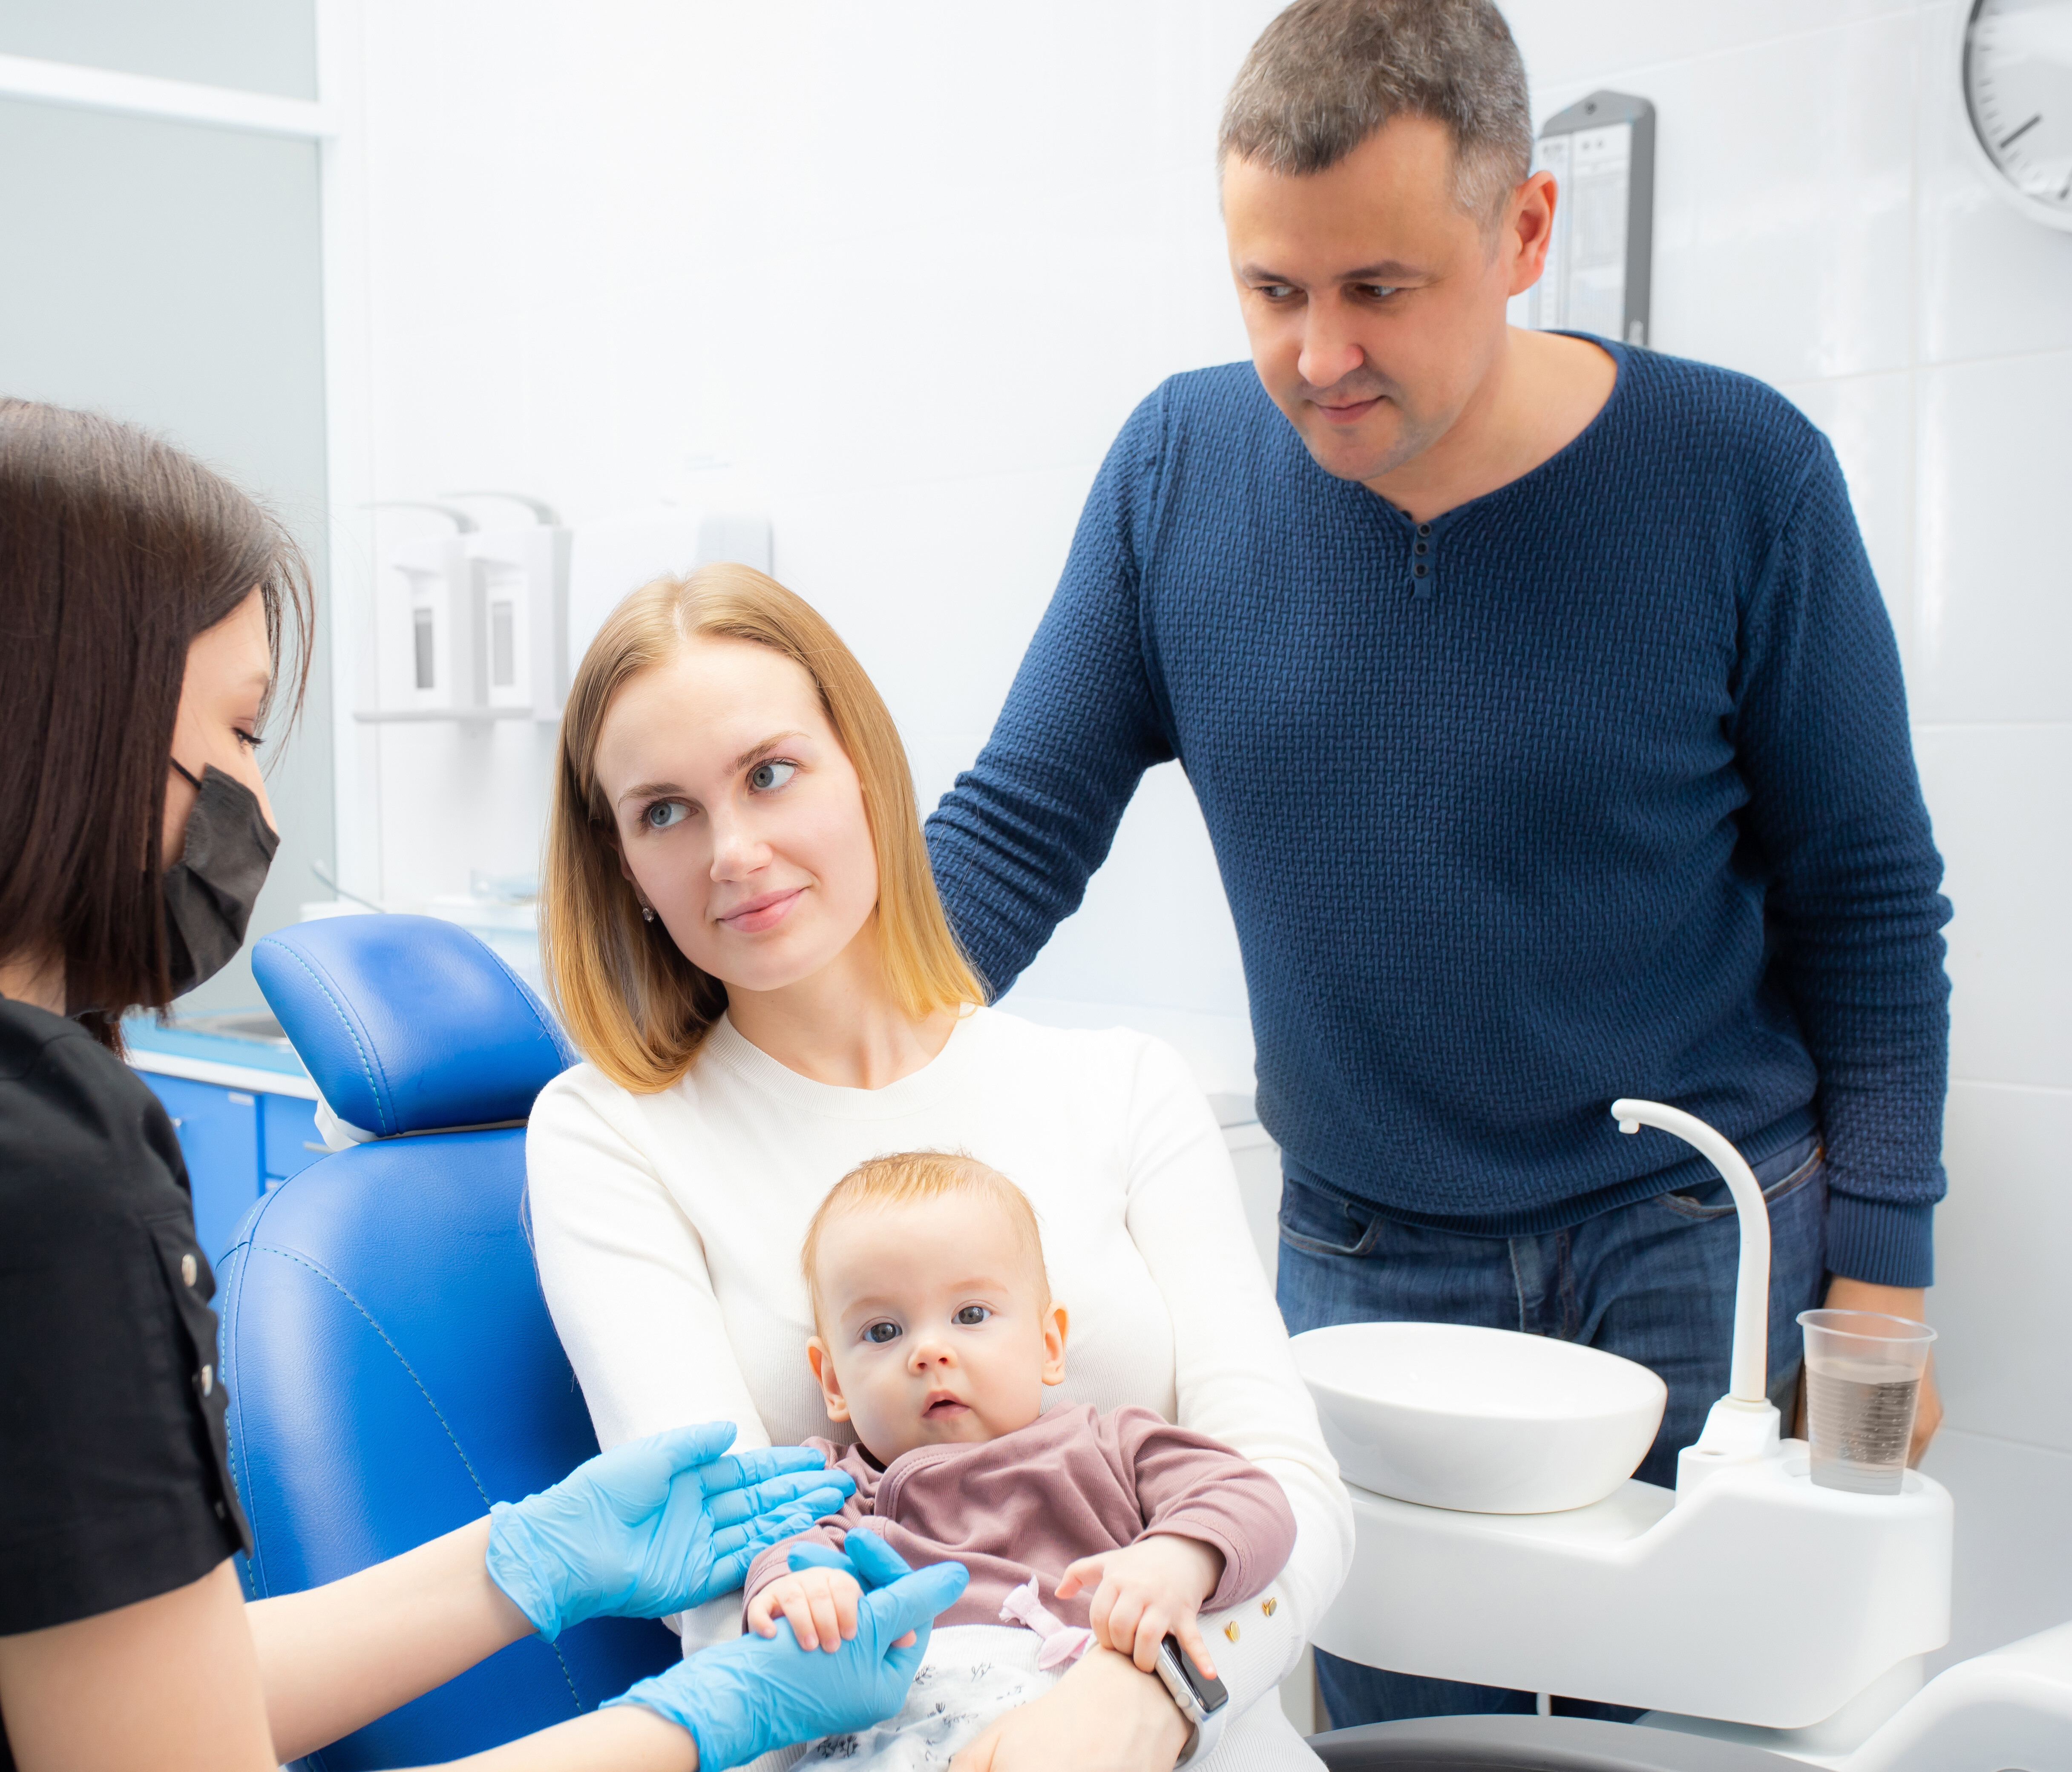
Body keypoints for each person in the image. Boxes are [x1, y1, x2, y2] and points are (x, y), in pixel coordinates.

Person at [0, 394, 969, 1772]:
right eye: (234, 728)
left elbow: (158, 1695)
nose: (259, 805)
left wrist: (530, 1562)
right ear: (50, 740)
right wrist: (687, 1724)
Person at [920, 0, 1952, 1729]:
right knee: (1399, 1728)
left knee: (1692, 1730)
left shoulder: (1741, 478)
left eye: (1379, 289)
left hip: (1692, 1234)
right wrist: (796, 1072)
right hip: (1363, 1253)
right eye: (1272, 290)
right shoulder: (1178, 472)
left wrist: (1888, 1285)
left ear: (1523, 232)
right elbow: (1016, 831)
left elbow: (1868, 896)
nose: (1320, 352)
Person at [527, 563, 1350, 1772]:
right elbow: (720, 1577)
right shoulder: (610, 1135)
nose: (736, 852)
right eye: (665, 812)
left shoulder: (1120, 1084)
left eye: (769, 773)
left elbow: (1293, 1494)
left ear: (862, 764)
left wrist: (1147, 1703)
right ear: (624, 867)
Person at [739, 1151, 1302, 1772]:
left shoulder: (1108, 1445)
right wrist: (806, 1590)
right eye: (881, 1332)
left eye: (971, 1315)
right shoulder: (838, 1486)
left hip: (1099, 1731)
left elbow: (1252, 1499)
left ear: (1050, 1344)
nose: (929, 1351)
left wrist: (1176, 1559)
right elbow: (778, 1553)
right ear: (834, 1383)